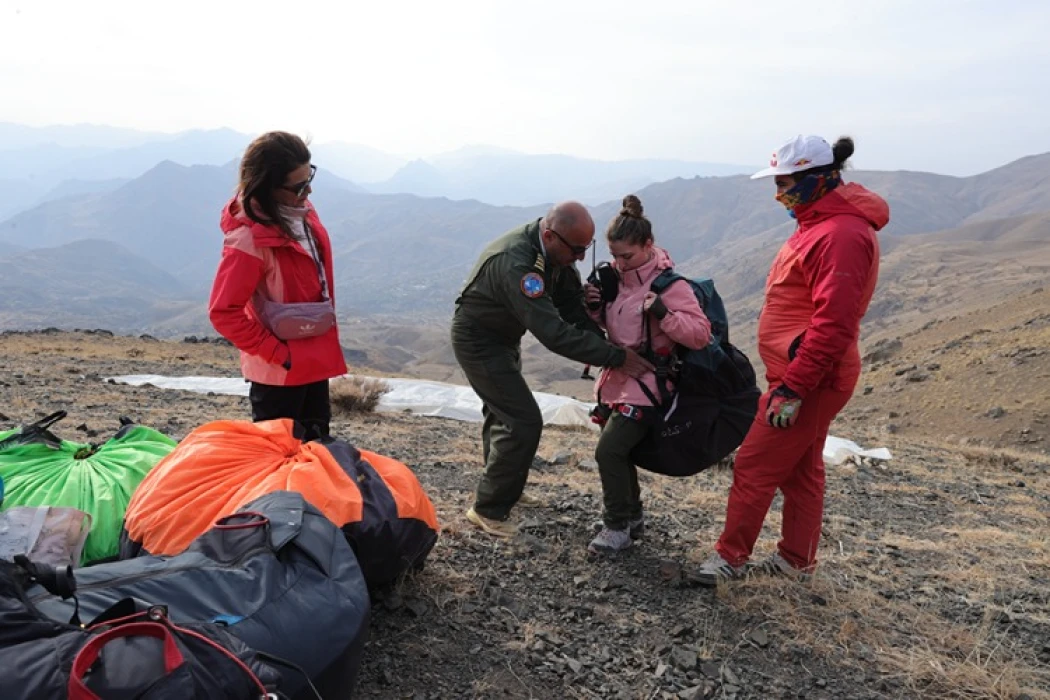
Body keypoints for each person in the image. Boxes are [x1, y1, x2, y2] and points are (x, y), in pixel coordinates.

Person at [694, 135, 888, 584]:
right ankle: (796, 561)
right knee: (802, 469)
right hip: (801, 373)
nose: (778, 193)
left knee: (754, 463)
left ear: (818, 179)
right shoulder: (819, 223)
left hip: (810, 378)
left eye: (784, 183)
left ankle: (729, 559)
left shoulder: (840, 235)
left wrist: (793, 388)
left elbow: (833, 323)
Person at [452, 201, 654, 538]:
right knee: (523, 420)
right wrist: (615, 357)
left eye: (585, 249)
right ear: (550, 236)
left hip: (503, 337)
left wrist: (604, 343)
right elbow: (554, 333)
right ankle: (488, 509)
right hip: (478, 341)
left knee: (502, 413)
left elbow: (571, 309)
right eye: (576, 250)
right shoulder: (519, 264)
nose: (580, 258)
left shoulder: (555, 254)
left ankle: (505, 488)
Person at [584, 195, 712, 555]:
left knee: (609, 451)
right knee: (620, 452)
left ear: (648, 245)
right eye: (615, 255)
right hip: (617, 381)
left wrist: (663, 314)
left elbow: (700, 334)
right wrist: (594, 308)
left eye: (627, 256)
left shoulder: (670, 286)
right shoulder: (617, 280)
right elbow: (615, 327)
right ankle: (632, 517)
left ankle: (616, 527)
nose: (620, 263)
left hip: (650, 385)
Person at [208, 131, 347, 441]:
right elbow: (223, 312)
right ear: (268, 186)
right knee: (279, 460)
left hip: (313, 361)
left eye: (310, 178)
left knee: (317, 456)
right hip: (279, 377)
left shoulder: (303, 214)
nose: (308, 191)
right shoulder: (247, 240)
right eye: (298, 186)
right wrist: (278, 354)